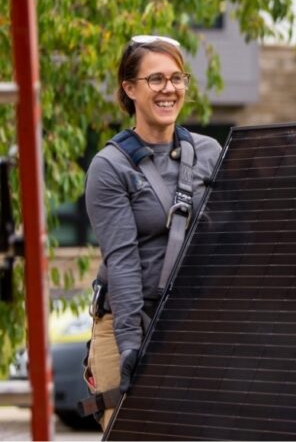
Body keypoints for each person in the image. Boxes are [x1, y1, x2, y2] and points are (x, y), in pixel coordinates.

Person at [84, 36, 222, 429]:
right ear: (129, 89)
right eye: (156, 79)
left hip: (192, 325)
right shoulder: (110, 167)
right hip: (129, 323)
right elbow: (123, 262)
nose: (169, 89)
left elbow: (233, 242)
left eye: (177, 78)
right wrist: (131, 347)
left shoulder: (210, 153)